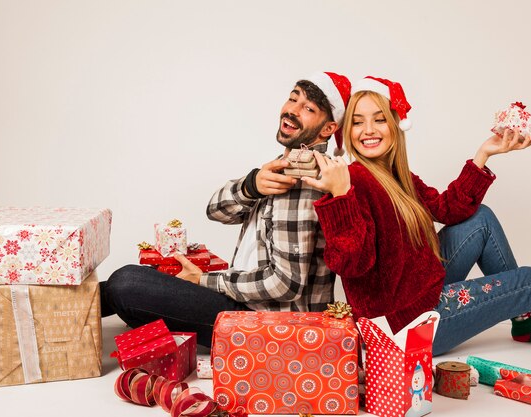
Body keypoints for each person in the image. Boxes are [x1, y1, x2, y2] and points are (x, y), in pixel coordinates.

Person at [303, 76, 531, 355]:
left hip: (415, 291)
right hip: (404, 327)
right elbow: (352, 264)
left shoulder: (398, 176)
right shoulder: (350, 180)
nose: (368, 130)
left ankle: (525, 320)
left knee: (481, 219)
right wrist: (341, 196)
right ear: (348, 131)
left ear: (396, 125)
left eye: (379, 119)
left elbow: (448, 210)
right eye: (357, 122)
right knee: (530, 283)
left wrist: (484, 154)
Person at [100, 72, 352, 347]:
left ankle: (66, 311)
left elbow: (285, 284)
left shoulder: (306, 180)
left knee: (125, 283)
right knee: (141, 279)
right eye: (293, 98)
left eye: (308, 108)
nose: (292, 110)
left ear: (327, 129)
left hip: (266, 323)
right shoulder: (284, 166)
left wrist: (205, 281)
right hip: (246, 304)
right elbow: (215, 211)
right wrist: (251, 186)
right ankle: (68, 307)